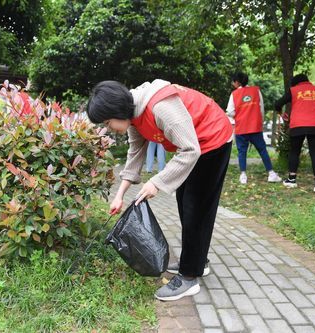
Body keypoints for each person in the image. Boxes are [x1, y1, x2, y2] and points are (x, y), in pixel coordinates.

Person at [87, 80, 233, 301]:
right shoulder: (134, 118)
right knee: (185, 203)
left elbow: (190, 150)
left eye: (108, 122)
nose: (110, 129)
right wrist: (119, 194)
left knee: (196, 208)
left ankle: (189, 276)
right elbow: (135, 153)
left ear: (118, 109)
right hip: (194, 146)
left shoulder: (160, 106)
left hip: (212, 141)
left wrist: (156, 183)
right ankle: (197, 261)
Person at [275, 74, 315, 193]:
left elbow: (277, 103)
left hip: (297, 125)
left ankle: (291, 180)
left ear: (296, 83)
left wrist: (280, 113)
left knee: (294, 152)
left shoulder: (293, 90)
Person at [226, 72, 281, 184]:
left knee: (242, 152)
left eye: (233, 81)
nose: (232, 84)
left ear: (237, 82)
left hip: (241, 128)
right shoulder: (256, 90)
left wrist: (238, 114)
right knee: (262, 150)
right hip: (255, 127)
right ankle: (271, 174)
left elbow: (230, 112)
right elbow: (261, 109)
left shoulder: (234, 94)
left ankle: (243, 176)